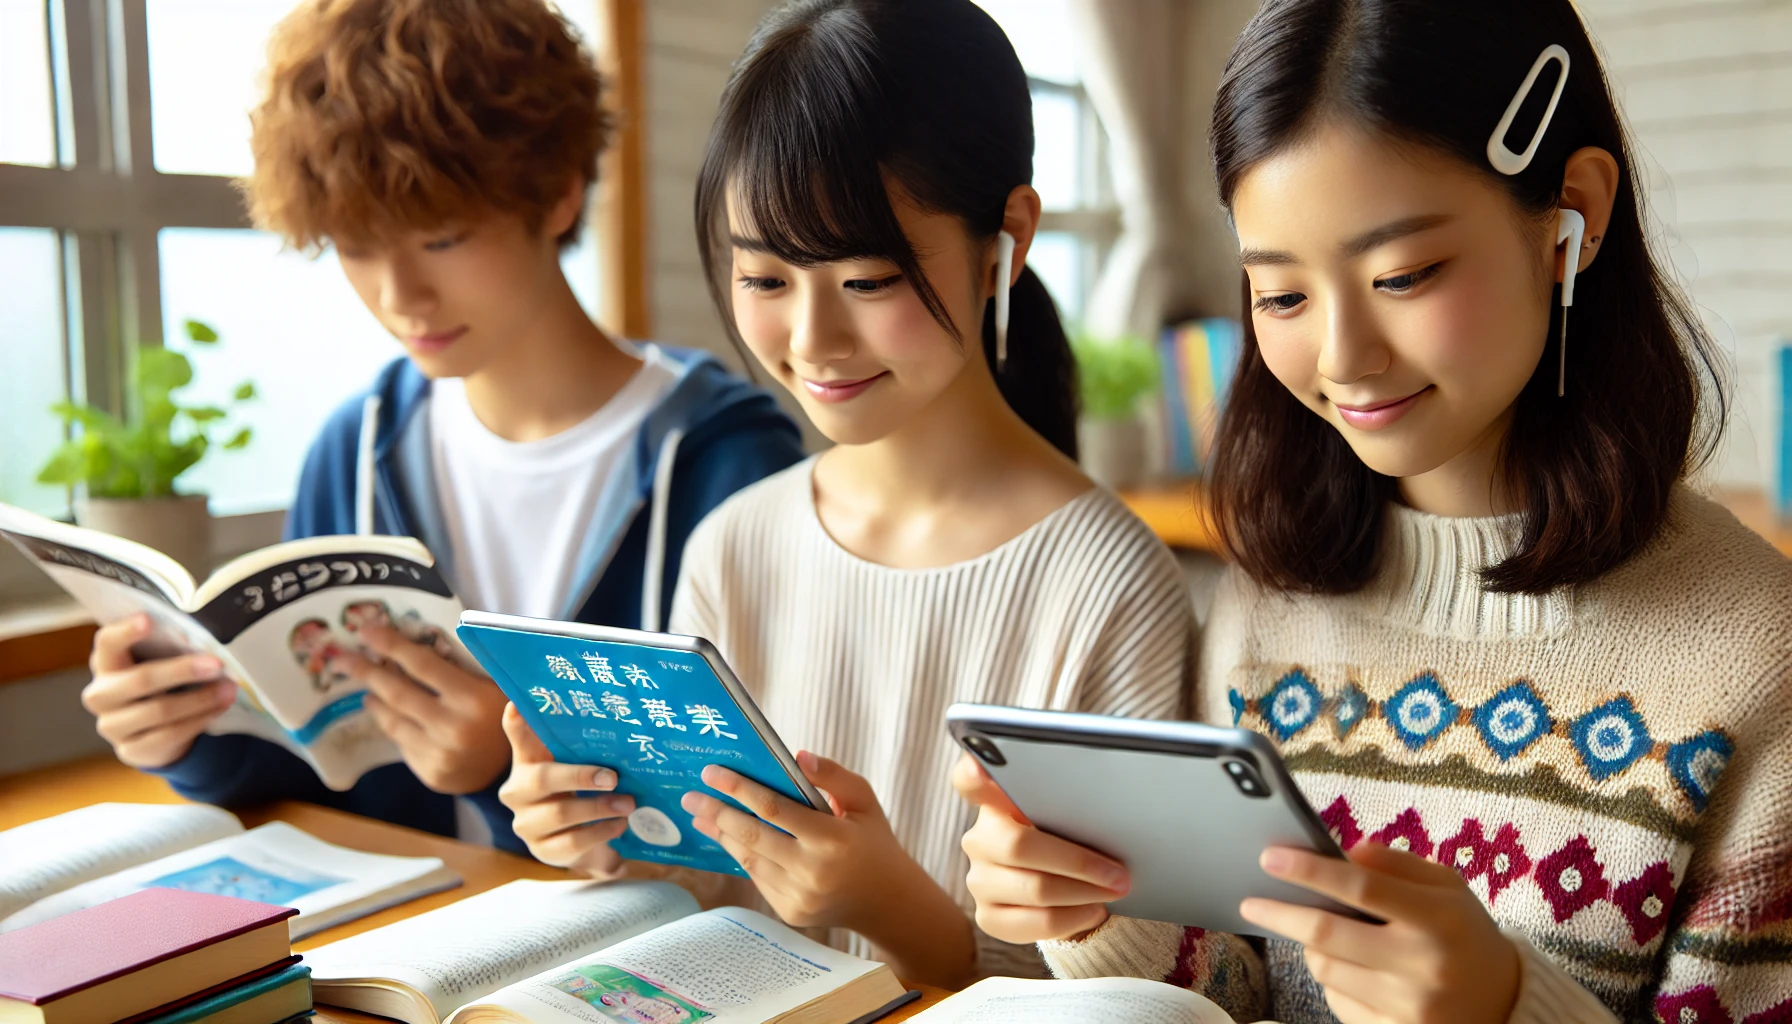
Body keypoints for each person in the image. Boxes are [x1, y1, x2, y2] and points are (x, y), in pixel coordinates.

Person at [955, 1, 1792, 1021]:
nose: (1343, 355)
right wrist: (1101, 914)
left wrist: (1502, 1003)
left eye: (1403, 274)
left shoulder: (1755, 659)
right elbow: (1248, 985)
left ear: (1573, 213)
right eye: (1282, 295)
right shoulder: (1267, 603)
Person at [496, 0, 1194, 989]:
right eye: (766, 277)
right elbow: (693, 888)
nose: (812, 340)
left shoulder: (1109, 586)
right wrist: (591, 832)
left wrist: (889, 905)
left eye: (866, 279)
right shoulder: (733, 544)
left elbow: (1120, 997)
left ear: (1008, 238)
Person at [79, 0, 804, 853]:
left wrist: (500, 765)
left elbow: (761, 822)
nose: (399, 297)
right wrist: (184, 738)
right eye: (355, 245)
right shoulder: (353, 451)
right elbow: (319, 761)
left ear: (559, 192)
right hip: (395, 959)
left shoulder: (723, 460)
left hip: (645, 962)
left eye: (443, 238)